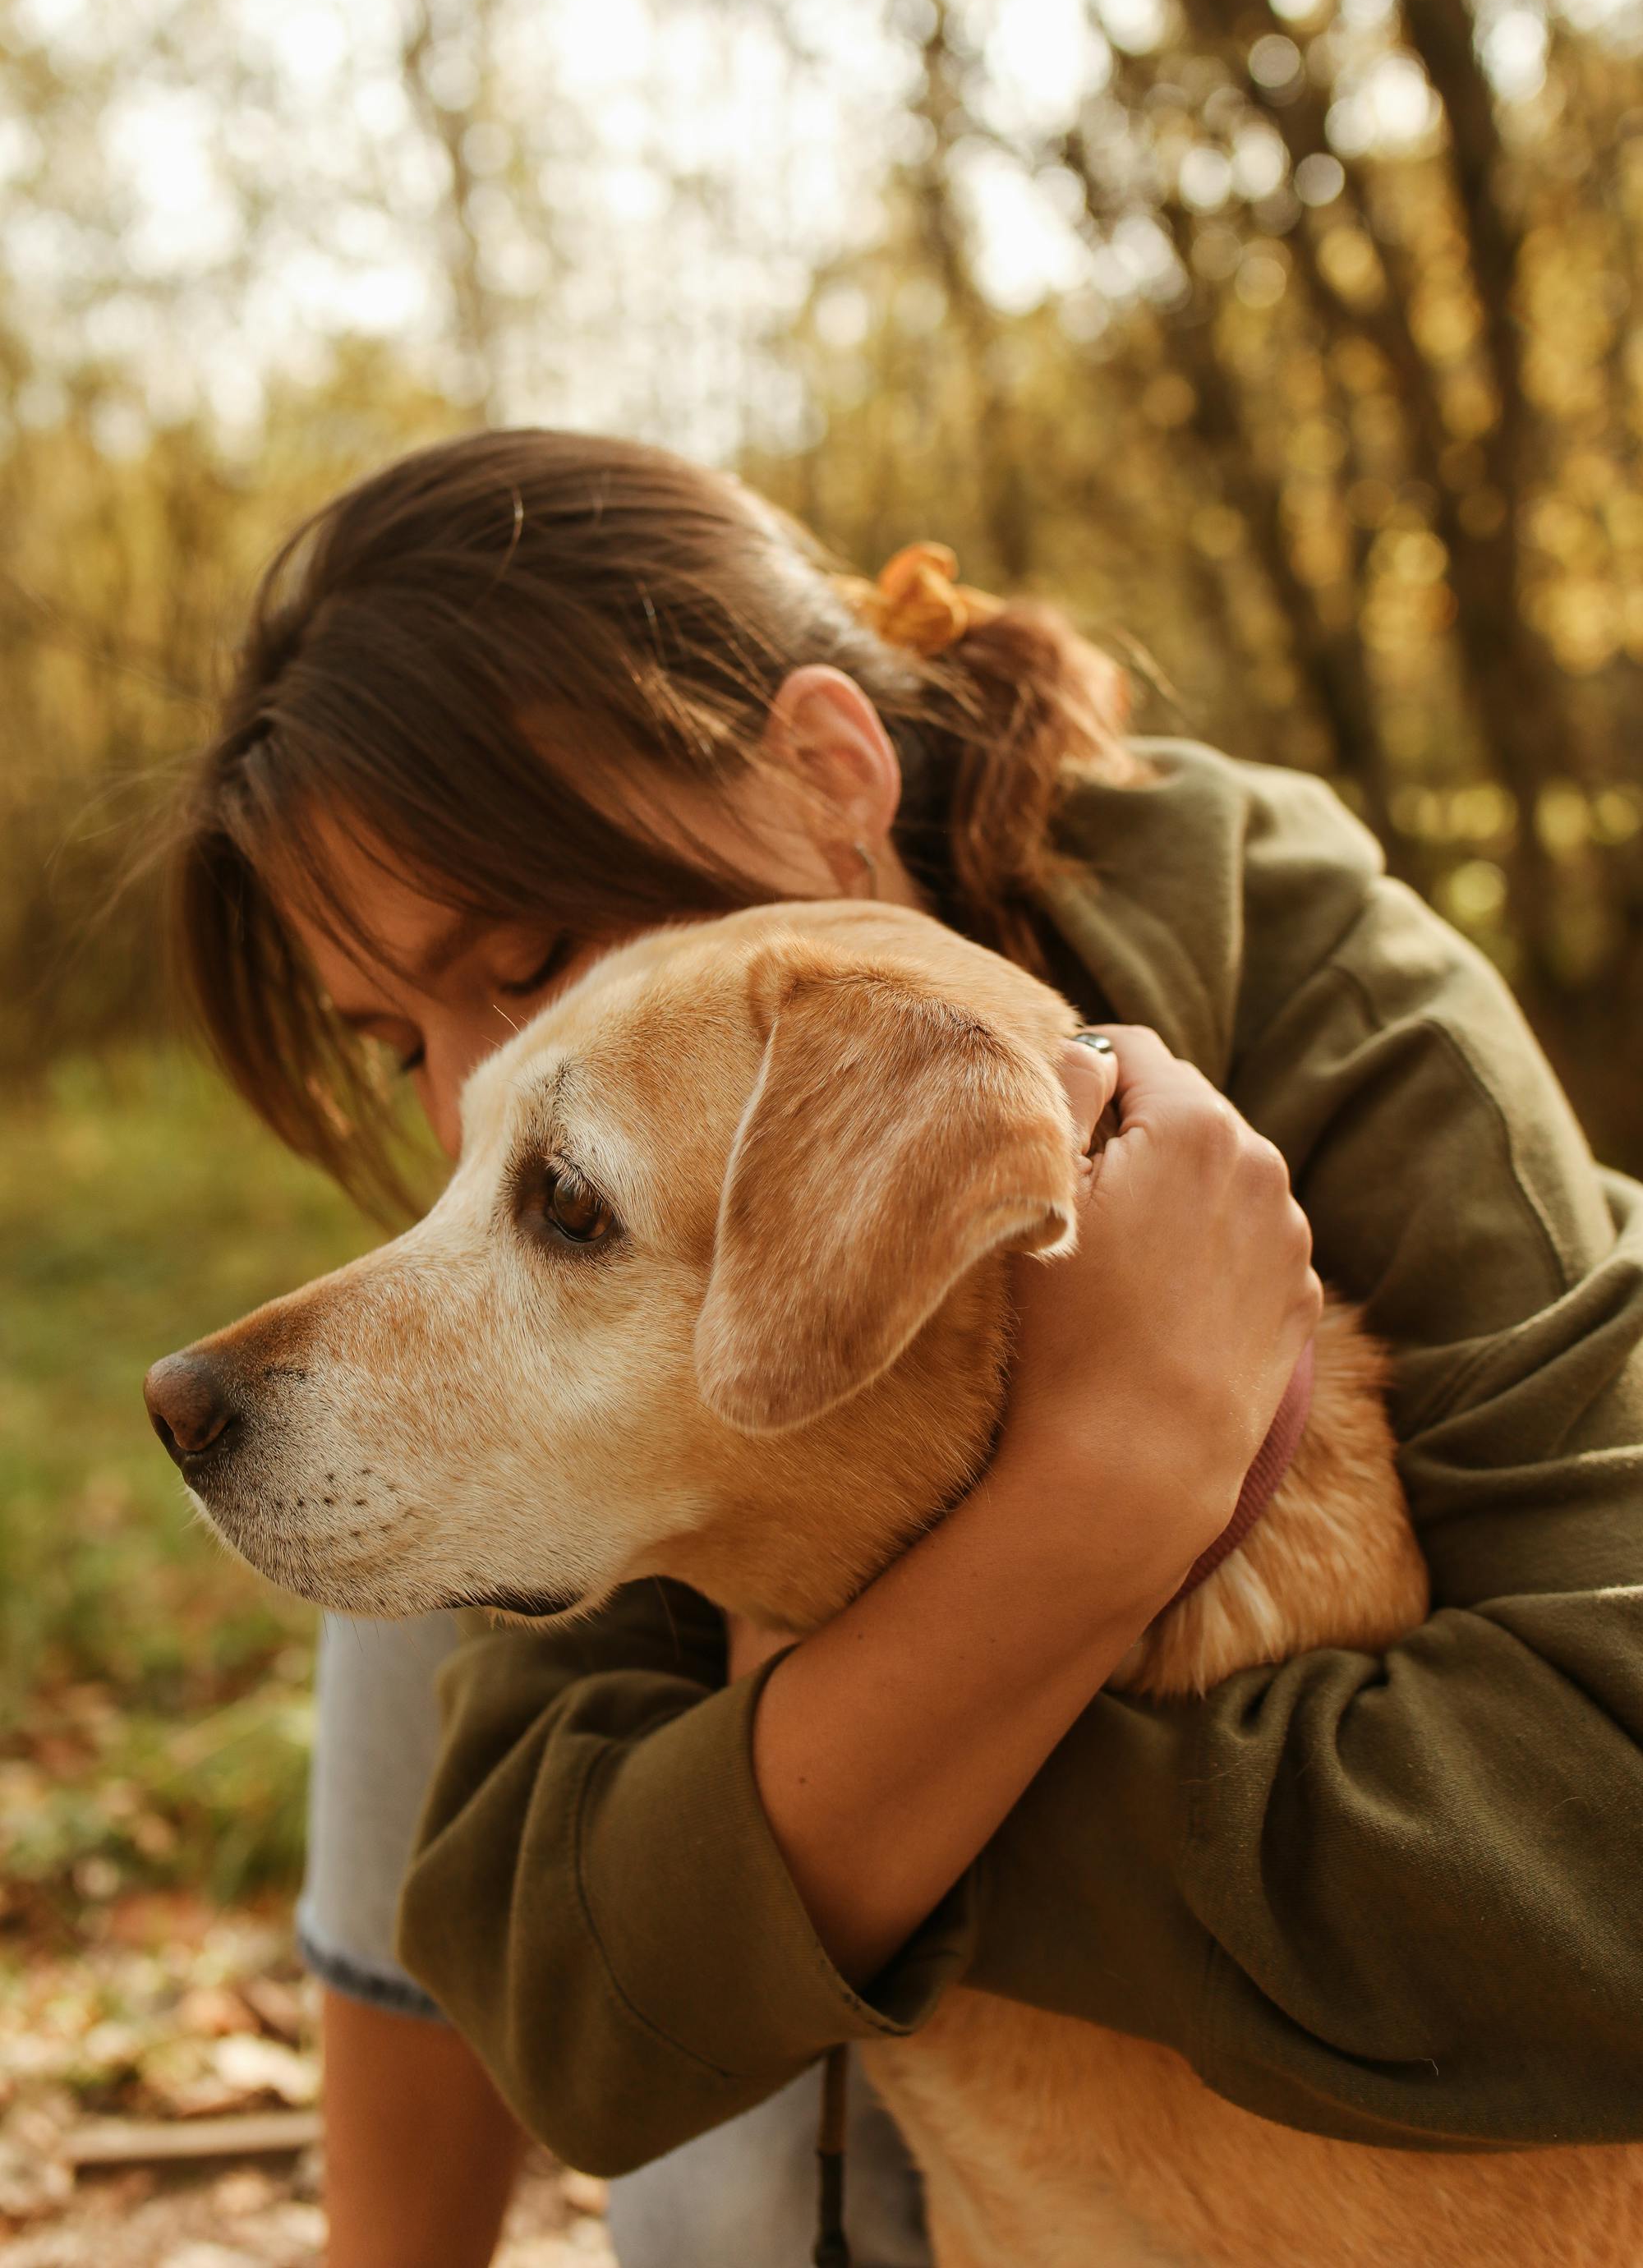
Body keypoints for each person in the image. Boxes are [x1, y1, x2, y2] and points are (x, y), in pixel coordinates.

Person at [163, 430, 1643, 2267]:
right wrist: (1091, 1508)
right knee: (418, 1486)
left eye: (535, 949)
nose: (467, 1088)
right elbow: (553, 1982)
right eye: (398, 1040)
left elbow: (1606, 1847)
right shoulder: (634, 1203)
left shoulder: (1314, 968)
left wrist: (847, 1811)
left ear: (828, 778)